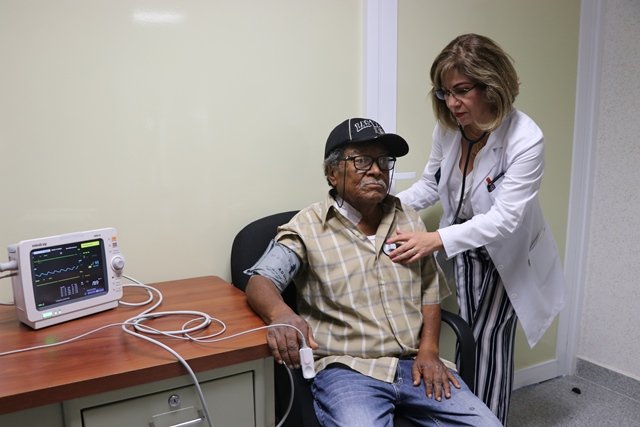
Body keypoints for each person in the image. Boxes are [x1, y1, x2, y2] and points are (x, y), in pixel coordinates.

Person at [244, 117, 502, 427]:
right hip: (347, 369)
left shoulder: (407, 219)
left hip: (413, 364)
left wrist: (430, 350)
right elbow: (260, 281)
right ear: (332, 173)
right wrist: (281, 314)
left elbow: (430, 291)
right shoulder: (308, 226)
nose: (377, 170)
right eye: (362, 161)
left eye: (383, 161)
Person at [386, 33, 566, 424]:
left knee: (489, 342)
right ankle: (466, 414)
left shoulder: (525, 139)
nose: (452, 103)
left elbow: (505, 219)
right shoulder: (448, 129)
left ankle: (485, 419)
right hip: (464, 248)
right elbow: (432, 184)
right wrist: (386, 205)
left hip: (507, 252)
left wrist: (435, 239)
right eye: (445, 92)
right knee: (469, 334)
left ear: (492, 85)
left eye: (462, 91)